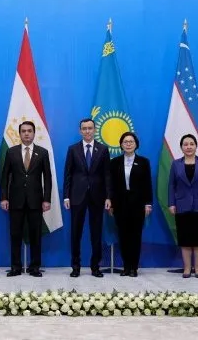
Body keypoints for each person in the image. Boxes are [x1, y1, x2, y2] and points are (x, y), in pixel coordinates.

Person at [0, 121, 52, 277]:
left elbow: (47, 178)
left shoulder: (42, 152)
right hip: (15, 200)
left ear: (34, 133)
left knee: (35, 235)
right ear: (20, 133)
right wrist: (4, 198)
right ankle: (16, 267)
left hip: (36, 201)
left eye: (29, 131)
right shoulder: (11, 152)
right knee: (15, 235)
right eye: (24, 131)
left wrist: (47, 199)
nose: (27, 133)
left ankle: (34, 267)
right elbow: (4, 176)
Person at [63, 118, 111, 278]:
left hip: (97, 196)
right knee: (75, 232)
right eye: (84, 128)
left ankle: (95, 267)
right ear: (80, 131)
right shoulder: (73, 149)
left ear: (94, 129)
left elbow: (107, 175)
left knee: (96, 232)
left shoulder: (103, 149)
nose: (87, 131)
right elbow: (68, 174)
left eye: (90, 128)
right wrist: (66, 196)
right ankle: (75, 266)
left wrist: (108, 196)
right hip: (77, 196)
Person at [168, 134, 198, 278]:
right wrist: (171, 203)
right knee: (185, 239)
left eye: (191, 144)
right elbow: (171, 185)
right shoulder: (176, 164)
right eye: (185, 144)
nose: (188, 147)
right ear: (181, 147)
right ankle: (187, 268)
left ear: (196, 146)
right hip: (182, 205)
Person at [108, 131, 152, 277]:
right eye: (125, 142)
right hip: (120, 204)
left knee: (135, 236)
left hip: (138, 204)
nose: (128, 144)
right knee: (123, 236)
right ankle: (126, 267)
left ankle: (134, 267)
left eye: (131, 142)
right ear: (121, 145)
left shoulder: (144, 162)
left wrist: (148, 203)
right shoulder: (114, 162)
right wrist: (111, 202)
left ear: (136, 144)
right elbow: (111, 185)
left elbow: (147, 184)